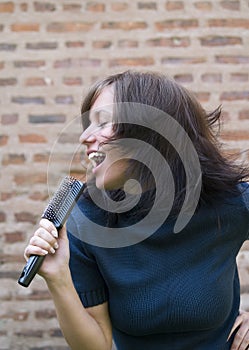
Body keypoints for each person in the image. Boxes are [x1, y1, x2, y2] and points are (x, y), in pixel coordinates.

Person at [24, 71, 249, 350]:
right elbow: (96, 345)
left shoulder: (231, 203)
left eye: (102, 122)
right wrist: (58, 278)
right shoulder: (87, 223)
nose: (84, 137)